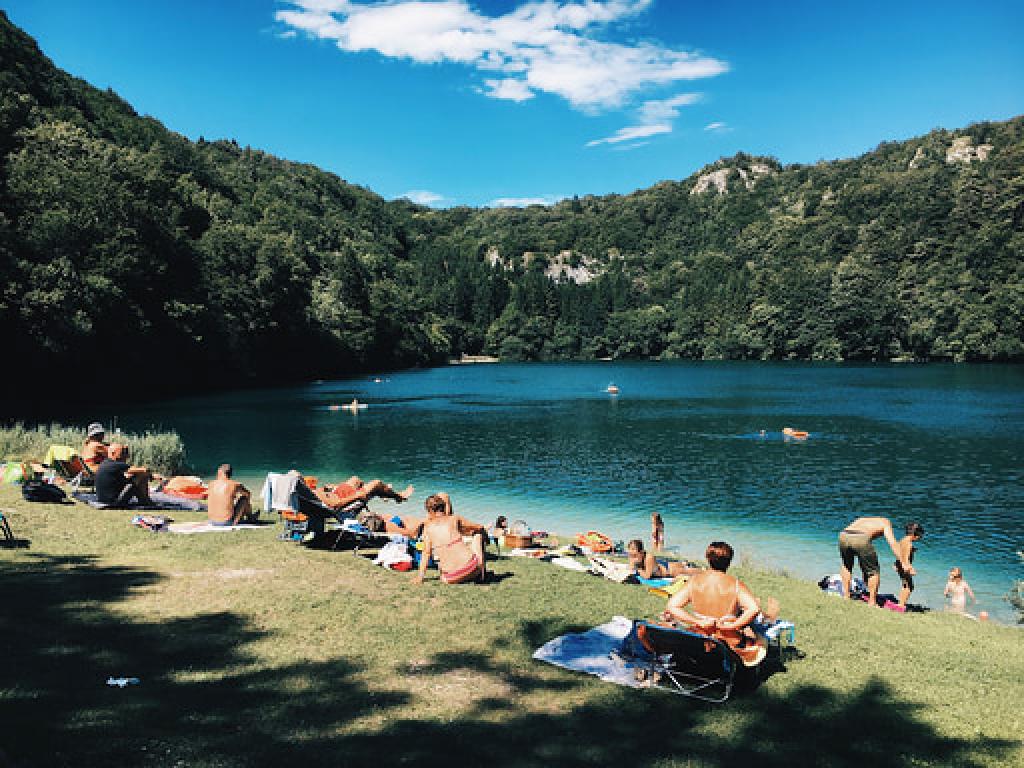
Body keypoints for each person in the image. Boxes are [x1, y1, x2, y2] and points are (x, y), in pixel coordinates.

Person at [661, 541, 764, 665]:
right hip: (728, 642)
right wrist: (732, 626)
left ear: (708, 559)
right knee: (760, 641)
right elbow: (754, 608)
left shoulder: (694, 581)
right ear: (729, 561)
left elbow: (672, 606)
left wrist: (697, 621)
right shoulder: (736, 585)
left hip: (700, 639)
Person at [838, 516, 914, 607]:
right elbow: (893, 544)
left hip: (843, 535)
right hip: (860, 537)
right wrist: (904, 563)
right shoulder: (886, 522)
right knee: (873, 572)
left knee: (847, 565)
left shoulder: (862, 519)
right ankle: (872, 602)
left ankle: (846, 596)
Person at [412, 493, 488, 585]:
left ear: (430, 511)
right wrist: (485, 536)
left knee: (443, 572)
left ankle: (474, 573)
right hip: (471, 568)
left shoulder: (428, 528)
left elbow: (426, 554)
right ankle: (482, 573)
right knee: (478, 534)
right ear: (444, 507)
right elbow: (479, 527)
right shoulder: (454, 519)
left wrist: (420, 577)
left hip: (450, 577)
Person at [313, 475, 414, 510]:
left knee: (355, 479)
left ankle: (382, 493)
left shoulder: (306, 492)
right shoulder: (310, 494)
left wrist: (331, 488)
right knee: (376, 483)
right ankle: (399, 497)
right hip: (344, 500)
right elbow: (336, 504)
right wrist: (357, 495)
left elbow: (324, 495)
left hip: (337, 493)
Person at [626, 539, 695, 580]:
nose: (631, 552)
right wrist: (633, 563)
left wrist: (638, 568)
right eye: (629, 549)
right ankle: (684, 563)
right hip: (662, 565)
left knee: (689, 571)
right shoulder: (633, 556)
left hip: (669, 571)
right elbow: (631, 568)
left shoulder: (649, 557)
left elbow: (647, 576)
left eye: (633, 549)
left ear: (641, 552)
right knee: (682, 565)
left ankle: (703, 570)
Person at [894, 522, 925, 608]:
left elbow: (900, 552)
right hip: (904, 567)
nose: (919, 539)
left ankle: (900, 602)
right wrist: (910, 569)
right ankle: (901, 605)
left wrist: (896, 563)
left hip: (899, 565)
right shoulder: (909, 544)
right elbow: (906, 558)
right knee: (909, 587)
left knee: (905, 585)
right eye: (920, 537)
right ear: (916, 535)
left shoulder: (903, 540)